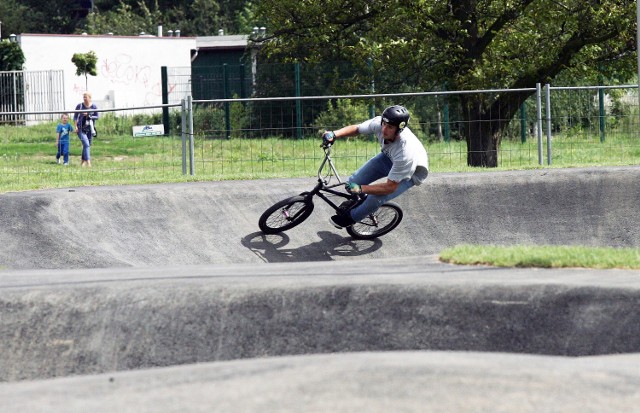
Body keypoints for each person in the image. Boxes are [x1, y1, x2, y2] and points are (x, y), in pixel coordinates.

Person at [322, 104, 429, 229]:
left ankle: (351, 218)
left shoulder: (405, 152)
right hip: (388, 158)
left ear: (399, 129)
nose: (384, 130)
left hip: (412, 172)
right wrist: (334, 134)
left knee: (375, 198)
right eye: (384, 124)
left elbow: (389, 188)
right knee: (352, 182)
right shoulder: (379, 123)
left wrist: (361, 189)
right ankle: (361, 203)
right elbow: (357, 129)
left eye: (390, 127)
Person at [74, 91, 99, 167]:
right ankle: (88, 162)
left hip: (90, 129)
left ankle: (82, 162)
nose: (84, 98)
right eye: (83, 97)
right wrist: (75, 126)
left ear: (90, 98)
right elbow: (75, 116)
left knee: (87, 145)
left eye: (86, 97)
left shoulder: (94, 107)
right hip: (80, 129)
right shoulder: (80, 106)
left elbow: (97, 117)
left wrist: (88, 115)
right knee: (86, 144)